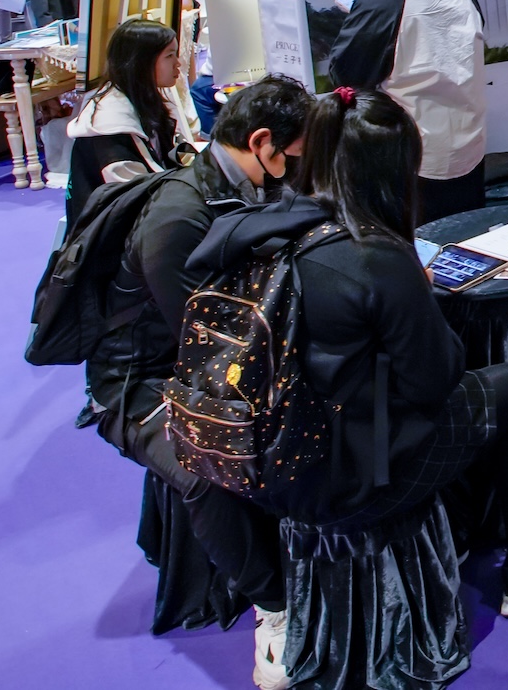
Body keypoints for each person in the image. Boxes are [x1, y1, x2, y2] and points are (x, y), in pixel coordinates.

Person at [195, 88, 508, 617]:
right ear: (393, 171)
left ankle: (463, 527)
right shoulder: (374, 255)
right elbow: (433, 383)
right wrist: (421, 299)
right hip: (352, 475)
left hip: (264, 457)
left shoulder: (255, 227)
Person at [87, 76, 310, 689]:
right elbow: (203, 342)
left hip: (211, 359)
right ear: (261, 142)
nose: (300, 168)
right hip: (139, 383)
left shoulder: (247, 185)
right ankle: (274, 607)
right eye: (295, 155)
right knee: (206, 466)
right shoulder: (178, 218)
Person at [327, 0, 488, 225]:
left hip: (411, 150)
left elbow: (346, 73)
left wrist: (359, 16)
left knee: (415, 241)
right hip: (468, 142)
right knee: (465, 236)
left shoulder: (380, 1)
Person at [64, 18, 200, 222]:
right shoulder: (110, 128)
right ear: (141, 63)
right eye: (169, 56)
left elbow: (174, 152)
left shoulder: (143, 99)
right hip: (117, 230)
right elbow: (138, 202)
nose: (178, 63)